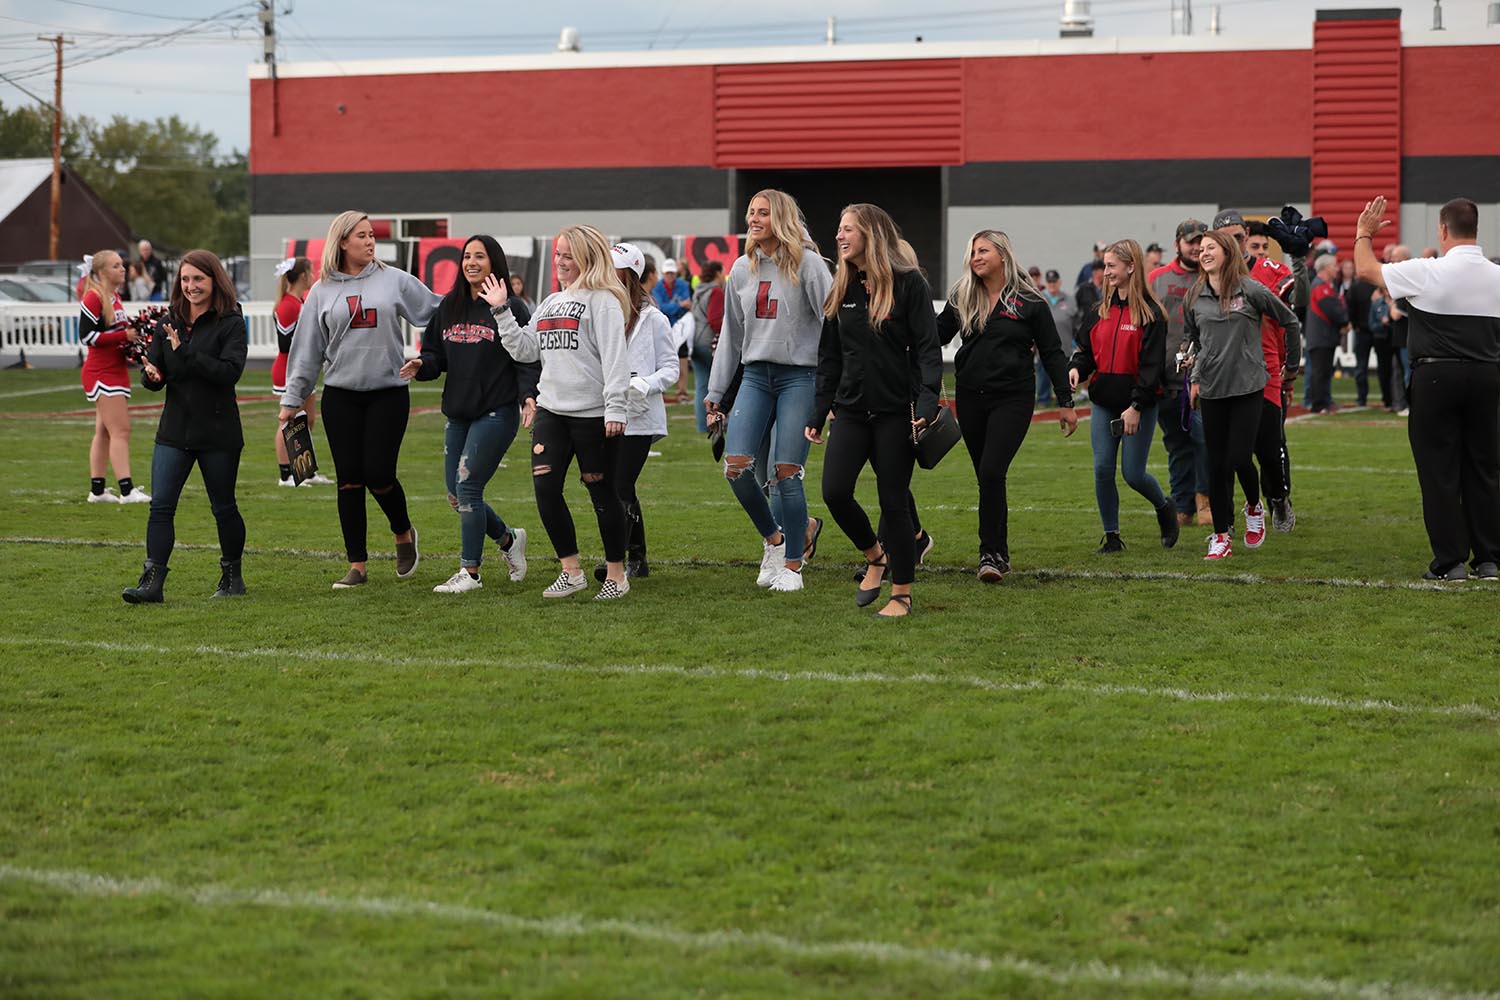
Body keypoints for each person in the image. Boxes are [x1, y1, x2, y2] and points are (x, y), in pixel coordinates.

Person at [279, 211, 440, 590]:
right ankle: (358, 565)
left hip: (388, 393)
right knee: (349, 481)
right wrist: (292, 399)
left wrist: (429, 355)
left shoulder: (394, 280)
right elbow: (306, 352)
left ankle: (403, 533)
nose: (370, 242)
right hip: (341, 397)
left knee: (379, 474)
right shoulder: (320, 291)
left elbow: (436, 311)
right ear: (343, 242)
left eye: (372, 236)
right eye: (362, 236)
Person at [1354, 195, 1500, 581]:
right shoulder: (1497, 275)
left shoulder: (1427, 270)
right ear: (1476, 230)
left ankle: (1450, 562)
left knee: (1439, 471)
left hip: (1436, 376)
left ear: (1443, 230)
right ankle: (1489, 559)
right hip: (1487, 375)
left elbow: (1366, 270)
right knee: (1484, 468)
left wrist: (1363, 233)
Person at [807, 203, 942, 617]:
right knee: (834, 491)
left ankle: (901, 591)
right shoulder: (841, 287)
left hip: (894, 414)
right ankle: (875, 555)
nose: (839, 236)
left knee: (893, 501)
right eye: (839, 229)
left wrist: (926, 400)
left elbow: (928, 350)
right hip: (850, 411)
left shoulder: (909, 285)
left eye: (848, 229)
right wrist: (818, 411)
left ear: (871, 234)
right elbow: (830, 357)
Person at [489, 224, 634, 600]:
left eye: (568, 255)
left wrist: (616, 406)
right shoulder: (551, 301)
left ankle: (617, 576)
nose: (560, 262)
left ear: (588, 257)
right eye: (557, 254)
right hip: (552, 410)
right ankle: (571, 570)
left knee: (602, 495)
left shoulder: (604, 301)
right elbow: (525, 349)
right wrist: (502, 311)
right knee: (545, 488)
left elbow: (617, 360)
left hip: (593, 414)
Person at [704, 189, 833, 593]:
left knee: (786, 474)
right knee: (736, 467)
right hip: (756, 377)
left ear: (781, 217)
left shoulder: (811, 264)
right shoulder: (741, 269)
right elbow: (731, 334)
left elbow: (834, 330)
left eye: (762, 213)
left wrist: (833, 391)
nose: (754, 220)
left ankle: (793, 564)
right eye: (751, 213)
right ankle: (775, 541)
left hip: (801, 378)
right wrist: (716, 388)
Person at [401, 234, 539, 594]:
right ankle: (509, 541)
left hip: (496, 412)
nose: (471, 262)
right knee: (455, 493)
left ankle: (470, 572)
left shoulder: (511, 307)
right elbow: (435, 354)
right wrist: (422, 364)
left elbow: (526, 358)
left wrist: (528, 396)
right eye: (466, 256)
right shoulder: (449, 306)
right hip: (459, 413)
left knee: (468, 487)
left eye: (480, 256)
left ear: (494, 262)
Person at [937, 230, 1077, 581]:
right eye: (972, 252)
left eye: (983, 250)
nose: (976, 257)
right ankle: (997, 553)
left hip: (1013, 398)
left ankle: (991, 553)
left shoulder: (1030, 301)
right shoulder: (963, 296)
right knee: (986, 477)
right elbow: (934, 336)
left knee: (991, 471)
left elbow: (1052, 353)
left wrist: (1065, 402)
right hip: (969, 397)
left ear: (1002, 254)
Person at [122, 250, 247, 603]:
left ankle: (232, 577)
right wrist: (152, 376)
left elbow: (229, 373)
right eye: (185, 279)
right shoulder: (169, 321)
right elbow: (160, 374)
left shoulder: (231, 323)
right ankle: (152, 582)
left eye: (198, 279)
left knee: (223, 507)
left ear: (214, 280)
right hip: (174, 431)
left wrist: (188, 353)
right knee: (160, 506)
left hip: (218, 431)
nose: (190, 286)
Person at [1185, 230, 1302, 560]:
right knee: (1216, 465)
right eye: (1201, 249)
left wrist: (1290, 366)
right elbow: (1193, 339)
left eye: (1211, 248)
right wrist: (1192, 371)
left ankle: (1253, 504)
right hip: (1211, 389)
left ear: (1226, 252)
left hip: (1250, 387)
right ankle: (1221, 535)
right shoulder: (1194, 296)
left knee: (1238, 458)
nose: (1204, 253)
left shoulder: (1250, 289)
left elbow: (1289, 320)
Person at [1069, 239, 1175, 553]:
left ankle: (1163, 506)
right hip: (1103, 402)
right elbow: (1086, 352)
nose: (1106, 272)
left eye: (1112, 266)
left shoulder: (1152, 314)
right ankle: (1112, 537)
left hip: (1137, 405)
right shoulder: (1098, 310)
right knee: (1102, 469)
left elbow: (1151, 367)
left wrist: (1136, 406)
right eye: (1105, 265)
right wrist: (1076, 367)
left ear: (1131, 267)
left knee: (1132, 473)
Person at [590, 242, 680, 580]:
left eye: (615, 272)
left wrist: (644, 383)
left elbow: (671, 368)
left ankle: (616, 559)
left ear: (630, 276)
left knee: (620, 485)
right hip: (606, 411)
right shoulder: (601, 312)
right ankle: (637, 558)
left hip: (640, 417)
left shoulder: (654, 318)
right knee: (618, 486)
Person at [1216, 212, 1302, 534]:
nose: (1233, 244)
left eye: (1238, 237)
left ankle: (1278, 498)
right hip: (1222, 372)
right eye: (1225, 237)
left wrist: (1299, 257)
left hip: (1264, 370)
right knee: (1221, 453)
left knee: (1268, 448)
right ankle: (1225, 519)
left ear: (1245, 236)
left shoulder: (1269, 270)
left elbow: (1298, 303)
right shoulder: (1206, 275)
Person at [1147, 219, 1212, 526]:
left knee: (1203, 439)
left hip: (1205, 377)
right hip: (1166, 378)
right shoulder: (1157, 278)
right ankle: (1182, 504)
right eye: (1191, 241)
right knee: (1176, 444)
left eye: (1202, 241)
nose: (1197, 247)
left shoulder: (1215, 275)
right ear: (1177, 245)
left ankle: (1205, 499)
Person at [78, 250, 150, 505]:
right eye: (116, 266)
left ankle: (97, 491)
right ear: (101, 272)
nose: (123, 269)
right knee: (121, 430)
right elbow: (87, 337)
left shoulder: (114, 297)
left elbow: (117, 332)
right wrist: (124, 337)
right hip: (102, 372)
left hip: (114, 369)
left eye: (122, 265)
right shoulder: (94, 297)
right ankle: (127, 490)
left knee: (104, 431)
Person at [272, 257, 331, 487]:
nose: (314, 274)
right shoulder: (288, 305)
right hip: (289, 368)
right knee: (289, 420)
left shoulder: (301, 301)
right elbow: (286, 342)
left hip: (304, 367)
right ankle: (285, 474)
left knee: (308, 420)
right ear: (303, 276)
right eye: (311, 271)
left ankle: (305, 469)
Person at [1304, 254, 1348, 414]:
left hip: (1323, 336)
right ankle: (1318, 404)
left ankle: (1324, 401)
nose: (1337, 269)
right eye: (1334, 266)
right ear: (1326, 268)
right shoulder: (1320, 287)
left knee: (1323, 371)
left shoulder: (1324, 286)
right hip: (1321, 337)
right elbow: (1332, 310)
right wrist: (1345, 320)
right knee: (1320, 371)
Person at [687, 259, 725, 432]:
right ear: (717, 273)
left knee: (701, 385)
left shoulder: (698, 291)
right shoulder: (716, 291)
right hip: (709, 343)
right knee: (720, 385)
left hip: (694, 342)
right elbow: (715, 319)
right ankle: (720, 422)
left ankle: (703, 426)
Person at [653, 258, 694, 402]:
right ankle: (661, 390)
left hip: (680, 326)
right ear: (663, 274)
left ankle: (682, 390)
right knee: (661, 359)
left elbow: (686, 303)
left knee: (682, 358)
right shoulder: (657, 287)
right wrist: (678, 306)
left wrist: (673, 307)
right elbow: (661, 307)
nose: (670, 276)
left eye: (672, 273)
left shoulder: (683, 285)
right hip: (665, 327)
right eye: (667, 273)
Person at [1037, 269, 1076, 407]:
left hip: (1064, 346)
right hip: (1043, 346)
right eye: (1049, 282)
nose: (1052, 284)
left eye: (1054, 281)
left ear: (1059, 282)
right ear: (1046, 283)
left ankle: (1064, 399)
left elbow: (1076, 322)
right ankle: (1043, 399)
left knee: (1063, 373)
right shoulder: (1039, 298)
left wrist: (1076, 343)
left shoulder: (1069, 300)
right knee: (1043, 373)